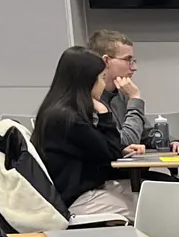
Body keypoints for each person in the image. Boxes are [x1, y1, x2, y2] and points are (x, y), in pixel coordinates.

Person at [33, 45, 136, 222]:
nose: (104, 85)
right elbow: (109, 153)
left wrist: (118, 149)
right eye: (102, 78)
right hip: (76, 199)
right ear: (87, 81)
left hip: (81, 190)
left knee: (147, 194)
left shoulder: (57, 111)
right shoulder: (68, 119)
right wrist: (104, 113)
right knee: (149, 209)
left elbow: (101, 149)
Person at [86, 29, 179, 156]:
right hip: (108, 173)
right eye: (127, 60)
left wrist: (172, 142)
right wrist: (135, 99)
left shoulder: (122, 94)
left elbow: (146, 134)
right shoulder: (87, 100)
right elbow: (124, 142)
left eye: (133, 61)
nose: (134, 67)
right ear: (106, 61)